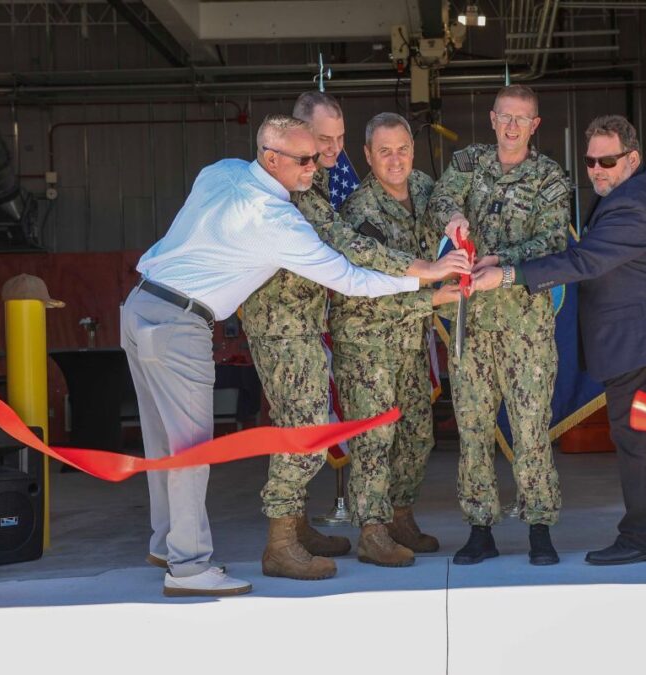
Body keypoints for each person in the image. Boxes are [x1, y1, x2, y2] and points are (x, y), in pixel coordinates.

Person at [121, 114, 465, 596]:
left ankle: (167, 542)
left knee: (163, 445)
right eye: (305, 159)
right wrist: (424, 277)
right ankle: (189, 568)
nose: (317, 165)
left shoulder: (221, 171)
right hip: (181, 323)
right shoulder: (275, 217)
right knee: (191, 452)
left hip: (141, 307)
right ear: (271, 157)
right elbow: (348, 277)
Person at [241, 94, 464, 581]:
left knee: (399, 433)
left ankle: (312, 527)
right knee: (328, 432)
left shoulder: (321, 179)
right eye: (325, 141)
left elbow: (438, 195)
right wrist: (425, 275)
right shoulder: (300, 189)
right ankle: (349, 532)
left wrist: (451, 224)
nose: (333, 151)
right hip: (292, 324)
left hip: (317, 319)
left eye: (340, 139)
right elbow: (353, 251)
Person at [472, 115, 646, 565]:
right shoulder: (632, 193)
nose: (596, 169)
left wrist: (508, 273)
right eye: (590, 160)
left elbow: (586, 260)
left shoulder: (634, 204)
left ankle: (643, 537)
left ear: (632, 158)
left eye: (607, 160)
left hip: (644, 343)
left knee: (640, 440)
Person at [430, 84, 570, 566]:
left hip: (525, 326)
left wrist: (500, 260)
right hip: (471, 324)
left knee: (531, 427)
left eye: (521, 119)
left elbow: (553, 244)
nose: (511, 126)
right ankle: (480, 528)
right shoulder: (470, 163)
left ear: (535, 126)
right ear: (491, 119)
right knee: (472, 427)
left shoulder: (550, 177)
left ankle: (539, 526)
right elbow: (442, 196)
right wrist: (452, 220)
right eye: (504, 116)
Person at [331, 113, 442, 567]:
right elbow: (363, 296)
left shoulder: (426, 190)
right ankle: (372, 531)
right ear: (367, 156)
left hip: (412, 340)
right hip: (367, 344)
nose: (395, 160)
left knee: (417, 435)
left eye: (402, 149)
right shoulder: (359, 212)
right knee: (375, 441)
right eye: (384, 152)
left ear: (412, 151)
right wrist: (435, 299)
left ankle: (400, 516)